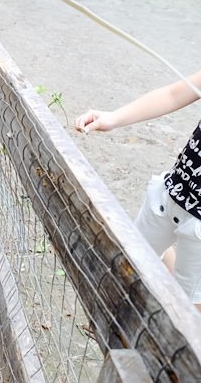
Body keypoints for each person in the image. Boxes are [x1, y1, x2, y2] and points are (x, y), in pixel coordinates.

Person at [75, 69, 201, 313]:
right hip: (170, 195)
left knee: (190, 316)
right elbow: (174, 94)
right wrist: (113, 118)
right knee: (133, 263)